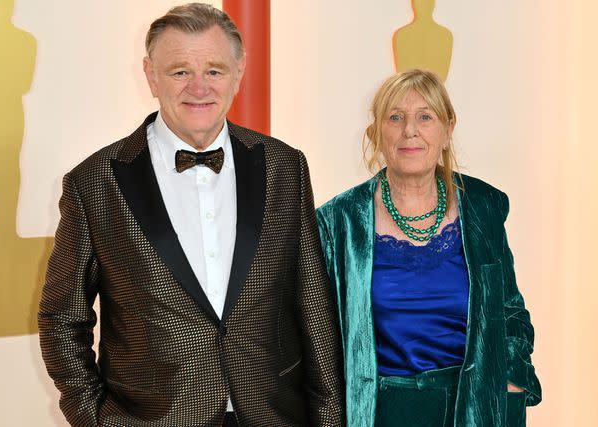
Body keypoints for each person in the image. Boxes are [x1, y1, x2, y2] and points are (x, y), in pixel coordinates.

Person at [38, 3, 344, 426]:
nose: (198, 87)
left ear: (238, 74)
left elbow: (313, 307)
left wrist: (328, 420)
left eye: (214, 71)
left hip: (273, 416)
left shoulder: (284, 167)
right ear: (150, 75)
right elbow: (61, 318)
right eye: (180, 71)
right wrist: (95, 418)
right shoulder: (93, 183)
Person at [316, 69, 541, 426]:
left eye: (425, 116)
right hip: (381, 412)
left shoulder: (483, 206)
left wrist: (511, 390)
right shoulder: (338, 221)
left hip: (472, 410)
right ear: (376, 133)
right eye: (395, 117)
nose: (410, 130)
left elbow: (510, 312)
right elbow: (318, 338)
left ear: (447, 130)